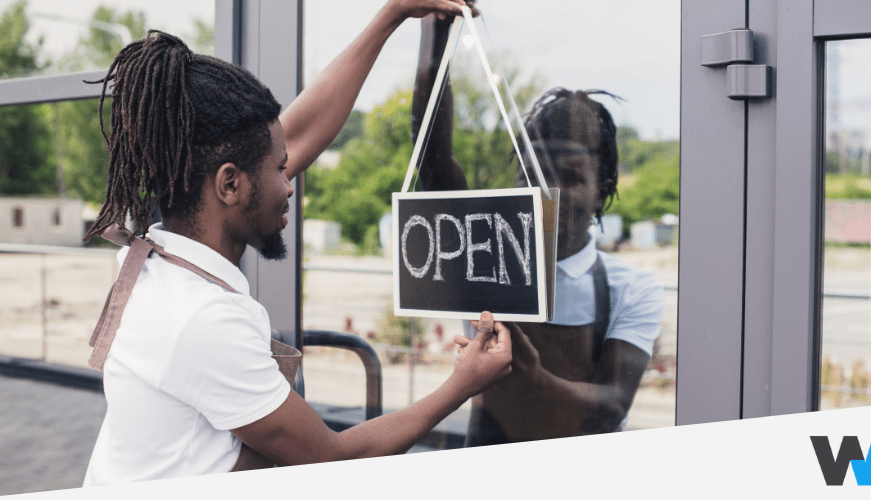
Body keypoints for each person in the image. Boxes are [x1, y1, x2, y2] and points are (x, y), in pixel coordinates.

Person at [82, 0, 511, 485]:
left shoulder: (152, 254)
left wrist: (391, 16)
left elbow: (293, 137)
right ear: (229, 185)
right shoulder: (200, 319)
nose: (290, 185)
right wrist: (464, 384)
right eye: (281, 171)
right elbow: (333, 460)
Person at [412, 14, 665, 444]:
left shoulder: (631, 288)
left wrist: (533, 377)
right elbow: (434, 165)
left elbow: (612, 406)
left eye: (569, 176)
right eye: (532, 173)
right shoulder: (486, 260)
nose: (549, 192)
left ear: (602, 192)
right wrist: (436, 32)